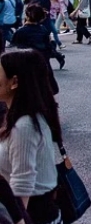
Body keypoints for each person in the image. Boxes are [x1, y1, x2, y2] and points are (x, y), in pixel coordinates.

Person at [0, 49, 63, 224]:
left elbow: (22, 186)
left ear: (14, 82)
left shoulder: (24, 126)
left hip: (34, 214)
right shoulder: (18, 115)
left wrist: (18, 220)